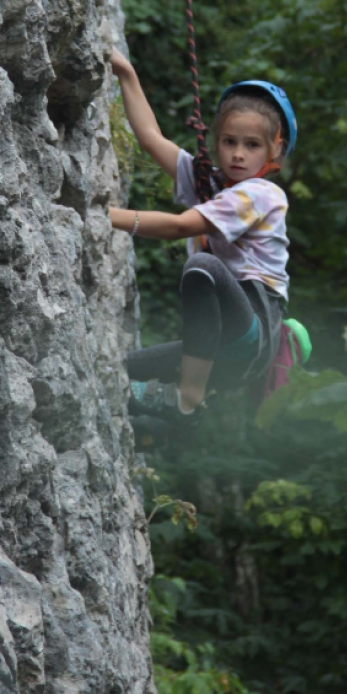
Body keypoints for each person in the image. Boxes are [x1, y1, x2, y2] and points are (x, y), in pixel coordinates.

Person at [108, 48, 297, 426]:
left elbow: (181, 227)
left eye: (252, 145)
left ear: (275, 149)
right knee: (116, 373)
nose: (238, 154)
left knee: (203, 267)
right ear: (216, 140)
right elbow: (150, 138)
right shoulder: (211, 185)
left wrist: (100, 216)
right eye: (229, 142)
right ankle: (168, 425)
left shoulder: (259, 195)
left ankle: (189, 395)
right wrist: (126, 73)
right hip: (222, 350)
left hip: (252, 328)